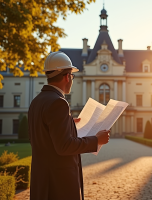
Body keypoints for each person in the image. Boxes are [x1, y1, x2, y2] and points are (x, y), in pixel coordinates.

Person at [28, 51, 110, 200]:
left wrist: (68, 123)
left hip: (41, 180)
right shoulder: (59, 102)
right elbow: (64, 146)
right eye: (72, 76)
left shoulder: (36, 102)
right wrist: (96, 140)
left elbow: (44, 133)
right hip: (58, 184)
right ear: (67, 77)